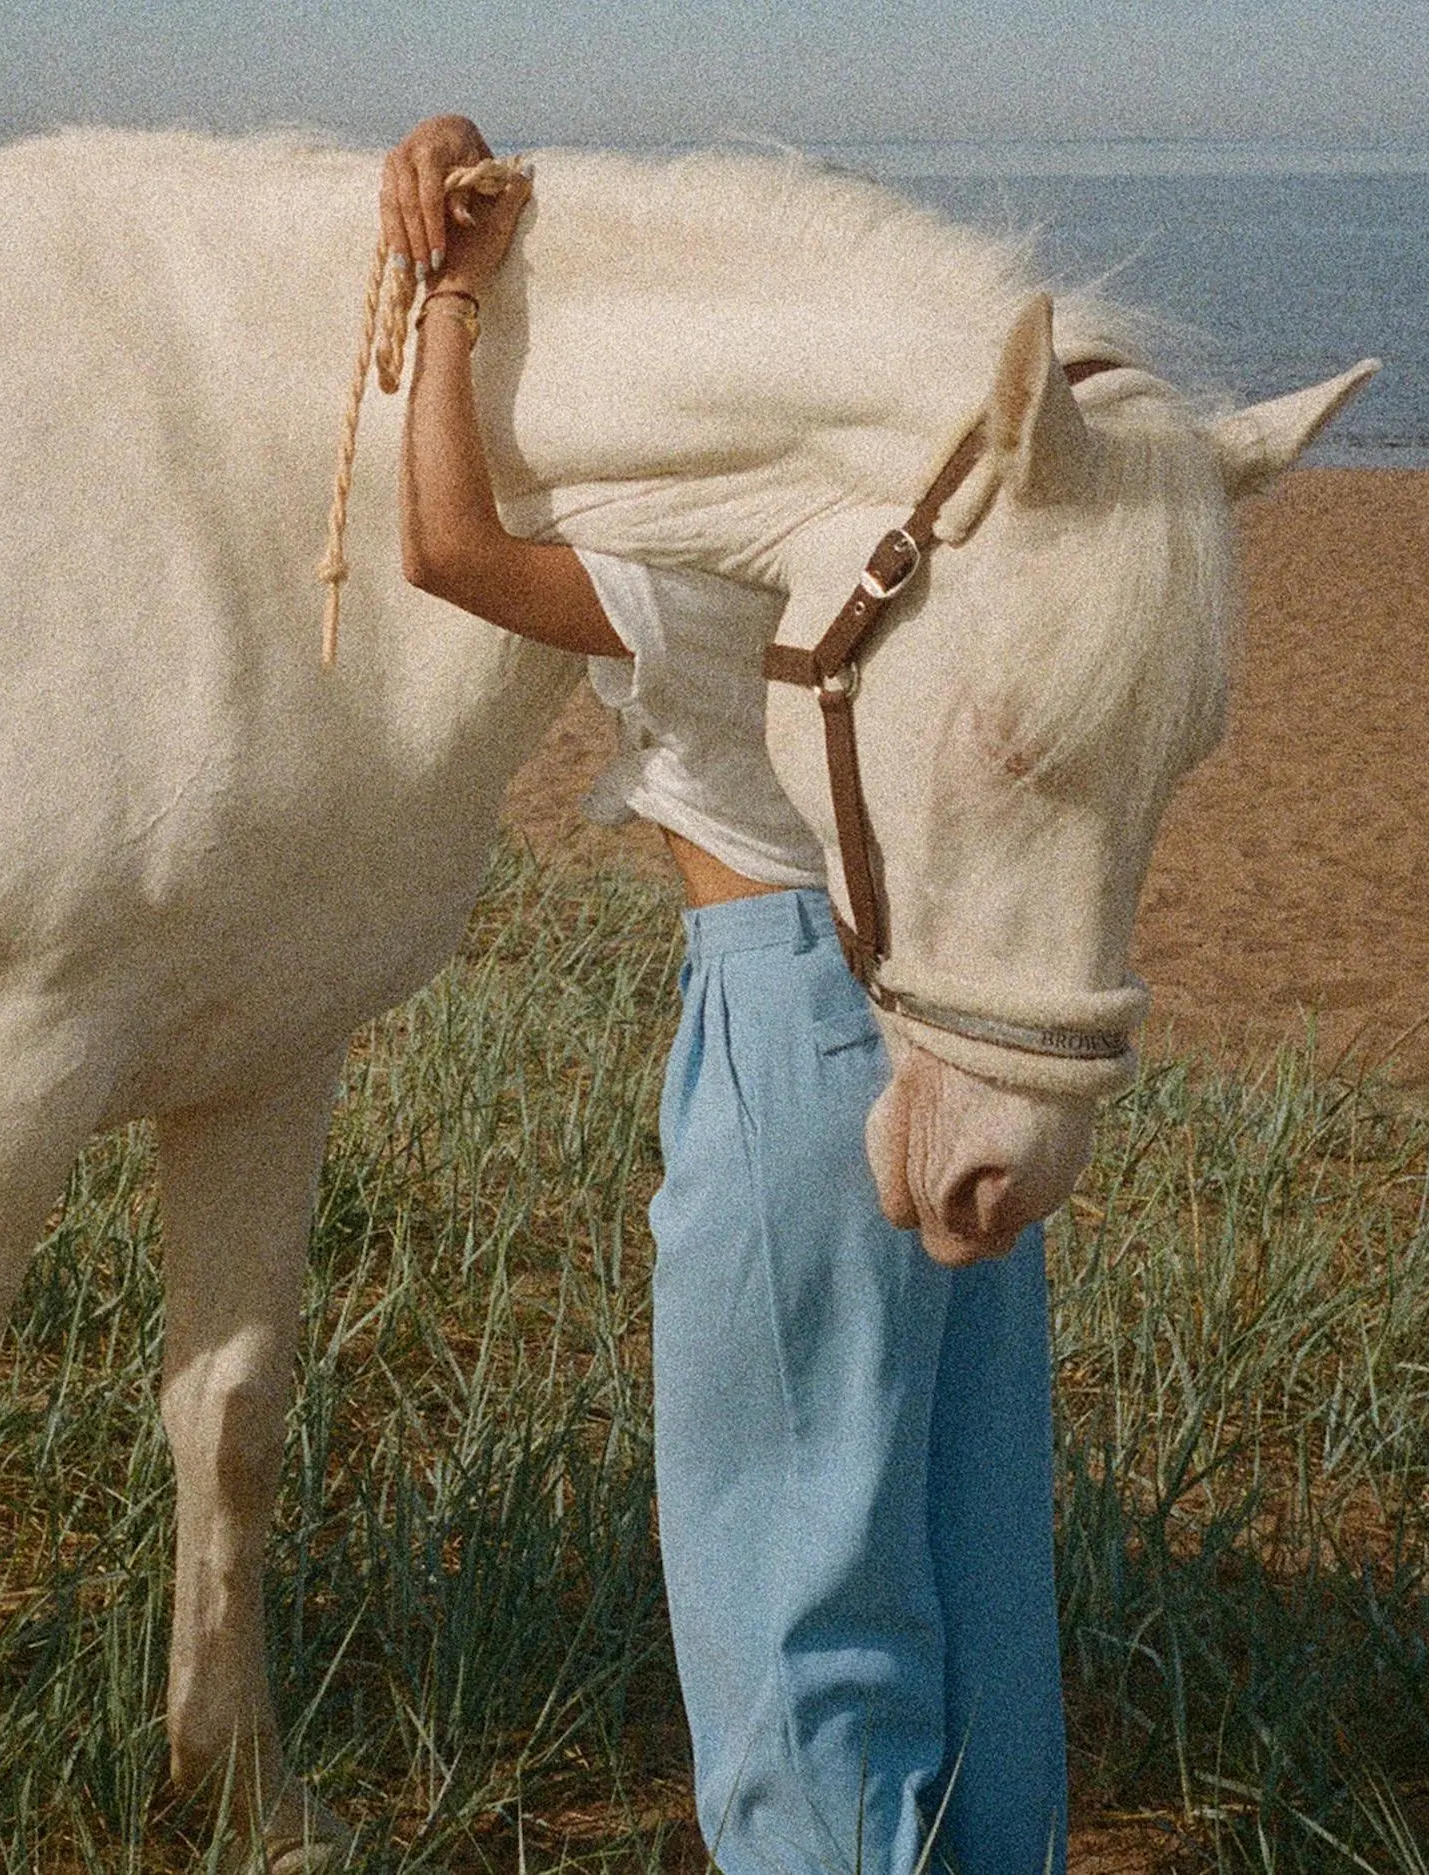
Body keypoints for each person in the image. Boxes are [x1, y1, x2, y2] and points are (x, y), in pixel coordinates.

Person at [381, 117, 1070, 1875]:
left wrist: (450, 307)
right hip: (936, 1014)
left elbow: (450, 546)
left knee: (794, 1580)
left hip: (785, 1021)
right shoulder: (900, 529)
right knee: (972, 1557)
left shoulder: (715, 567)